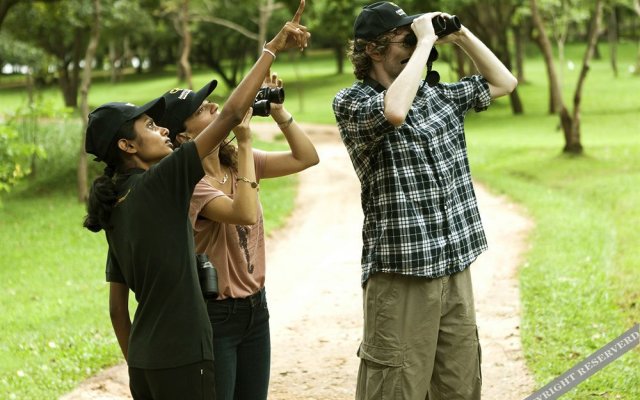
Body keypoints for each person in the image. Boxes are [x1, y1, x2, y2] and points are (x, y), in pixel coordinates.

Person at [82, 2, 310, 398]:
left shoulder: (116, 204)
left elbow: (118, 309)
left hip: (146, 363)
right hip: (187, 354)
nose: (162, 132)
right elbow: (233, 112)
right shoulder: (162, 182)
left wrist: (136, 362)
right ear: (127, 145)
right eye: (151, 126)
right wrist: (271, 47)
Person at [332, 2, 518, 399]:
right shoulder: (352, 102)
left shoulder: (438, 97)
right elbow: (394, 111)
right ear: (373, 50)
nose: (418, 43)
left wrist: (460, 34)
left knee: (460, 384)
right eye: (406, 38)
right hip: (402, 275)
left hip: (455, 268)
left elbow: (504, 82)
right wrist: (425, 42)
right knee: (396, 387)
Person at [157, 68, 319, 399]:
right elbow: (242, 214)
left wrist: (279, 112)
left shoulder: (235, 165)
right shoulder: (192, 185)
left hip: (256, 308)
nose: (217, 108)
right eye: (203, 110)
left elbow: (306, 157)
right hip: (217, 316)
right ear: (185, 139)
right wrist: (245, 143)